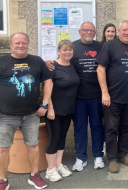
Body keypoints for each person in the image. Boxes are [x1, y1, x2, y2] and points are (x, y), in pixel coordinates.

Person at [0, 32, 52, 190]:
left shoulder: (37, 61)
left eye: (24, 43)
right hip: (6, 116)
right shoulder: (1, 62)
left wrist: (45, 104)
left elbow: (48, 81)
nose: (21, 45)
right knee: (3, 148)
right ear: (11, 45)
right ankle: (2, 180)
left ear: (28, 44)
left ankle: (34, 176)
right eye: (17, 43)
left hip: (31, 115)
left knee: (33, 146)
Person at [46, 21, 105, 172]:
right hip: (78, 98)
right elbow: (59, 63)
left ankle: (98, 156)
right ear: (80, 32)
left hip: (97, 96)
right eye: (85, 30)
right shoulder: (72, 47)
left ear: (95, 32)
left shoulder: (101, 47)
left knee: (97, 127)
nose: (88, 32)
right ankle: (81, 158)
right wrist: (46, 63)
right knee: (79, 128)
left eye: (91, 30)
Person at [96, 20, 128, 173]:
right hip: (112, 97)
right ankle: (113, 159)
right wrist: (104, 93)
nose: (127, 33)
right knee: (111, 129)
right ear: (119, 31)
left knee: (127, 128)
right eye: (124, 30)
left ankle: (123, 154)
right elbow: (100, 69)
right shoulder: (109, 46)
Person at [44, 40, 80, 182]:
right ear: (58, 51)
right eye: (64, 50)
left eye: (70, 50)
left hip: (68, 109)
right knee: (54, 138)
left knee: (62, 137)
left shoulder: (72, 66)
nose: (67, 52)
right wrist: (49, 108)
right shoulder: (52, 67)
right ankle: (50, 169)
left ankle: (58, 165)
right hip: (55, 109)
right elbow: (46, 89)